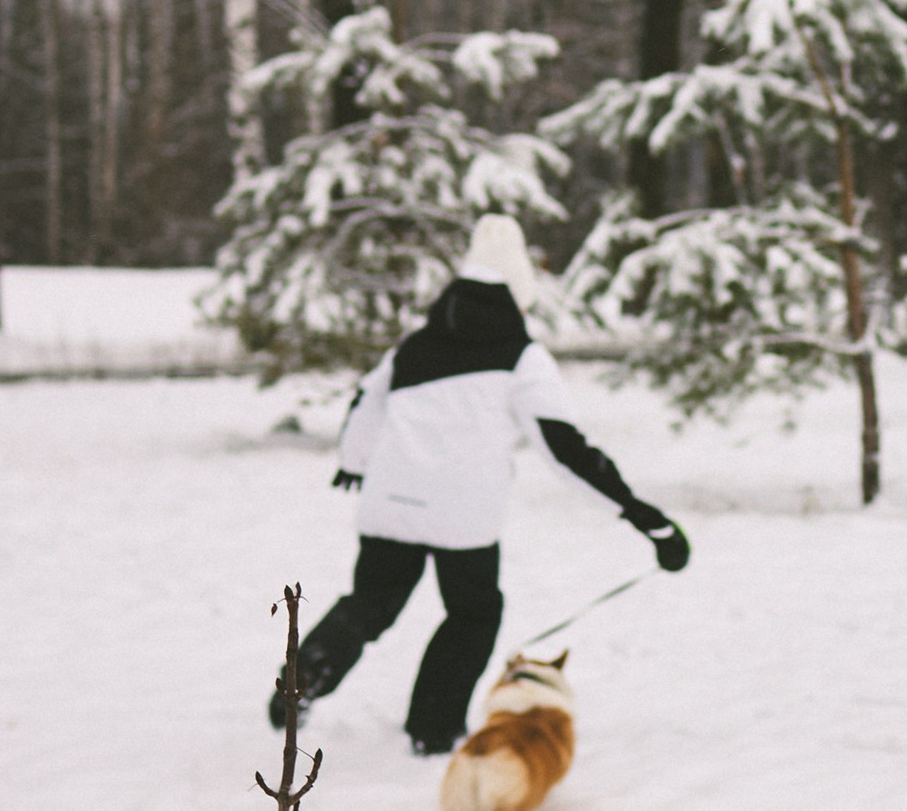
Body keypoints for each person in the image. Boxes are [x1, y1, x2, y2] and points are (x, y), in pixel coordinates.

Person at [271, 215, 691, 753]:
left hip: (390, 501)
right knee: (473, 613)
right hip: (462, 516)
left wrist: (353, 461)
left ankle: (298, 685)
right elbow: (566, 449)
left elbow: (364, 403)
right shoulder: (522, 358)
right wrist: (644, 517)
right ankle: (433, 727)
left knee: (373, 601)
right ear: (518, 296)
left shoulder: (413, 347)